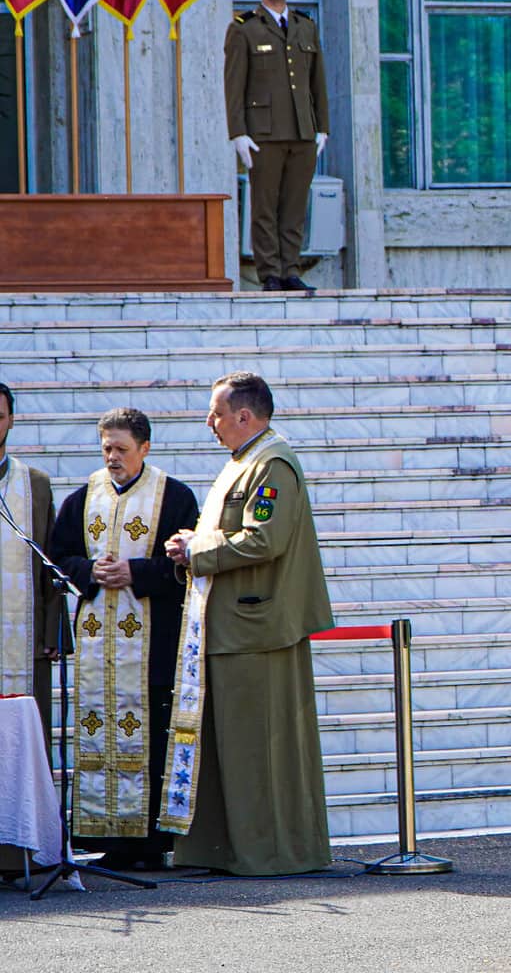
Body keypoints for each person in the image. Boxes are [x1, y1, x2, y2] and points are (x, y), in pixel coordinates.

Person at [163, 372, 332, 875]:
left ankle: (268, 852)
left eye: (216, 413)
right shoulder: (243, 461)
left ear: (244, 416)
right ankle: (226, 849)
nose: (209, 422)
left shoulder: (272, 464)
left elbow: (264, 539)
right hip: (232, 624)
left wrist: (198, 549)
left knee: (257, 746)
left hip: (255, 626)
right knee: (228, 746)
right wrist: (192, 545)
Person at [49, 407, 198, 870]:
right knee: (99, 736)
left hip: (151, 646)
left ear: (145, 448)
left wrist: (134, 571)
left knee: (150, 737)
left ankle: (151, 845)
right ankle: (107, 836)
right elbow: (57, 559)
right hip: (98, 643)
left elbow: (187, 570)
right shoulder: (82, 498)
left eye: (121, 449)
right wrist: (89, 570)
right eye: (106, 448)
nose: (112, 457)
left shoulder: (174, 497)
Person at [224, 0, 328, 293]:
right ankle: (270, 273)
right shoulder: (244, 29)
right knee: (265, 206)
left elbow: (317, 82)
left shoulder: (305, 26)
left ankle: (291, 270)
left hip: (302, 130)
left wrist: (321, 126)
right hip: (264, 134)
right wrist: (238, 132)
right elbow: (234, 84)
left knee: (295, 205)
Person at [0, 380, 59, 744]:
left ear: (11, 421)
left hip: (24, 637)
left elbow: (50, 557)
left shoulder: (34, 483)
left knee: (27, 737)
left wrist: (52, 630)